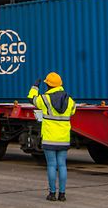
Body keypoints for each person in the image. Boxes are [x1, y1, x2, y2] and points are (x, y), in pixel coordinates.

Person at [28, 72, 76, 201]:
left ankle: (52, 194)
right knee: (62, 165)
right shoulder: (70, 100)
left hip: (50, 137)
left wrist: (35, 87)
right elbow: (73, 111)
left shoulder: (44, 99)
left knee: (51, 165)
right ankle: (62, 194)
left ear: (48, 85)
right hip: (64, 138)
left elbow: (32, 99)